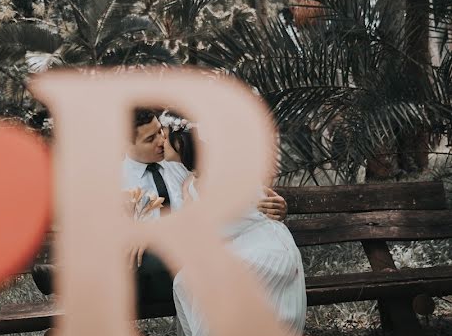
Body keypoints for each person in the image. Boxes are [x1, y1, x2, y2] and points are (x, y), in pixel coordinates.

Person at [31, 109, 289, 310]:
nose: (161, 141)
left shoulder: (181, 161)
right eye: (150, 138)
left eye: (160, 133)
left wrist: (274, 205)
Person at [165, 120, 306, 336]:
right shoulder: (190, 182)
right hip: (231, 246)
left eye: (166, 137)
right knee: (185, 280)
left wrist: (278, 206)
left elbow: (258, 205)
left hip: (264, 246)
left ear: (182, 144)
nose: (162, 141)